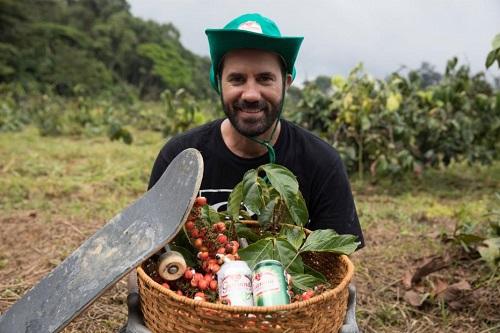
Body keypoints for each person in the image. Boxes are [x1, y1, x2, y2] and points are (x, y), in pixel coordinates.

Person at [121, 13, 363, 333]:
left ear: (286, 82)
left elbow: (335, 270)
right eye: (237, 79)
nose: (251, 94)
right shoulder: (182, 158)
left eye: (265, 78)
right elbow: (148, 258)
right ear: (218, 83)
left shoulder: (321, 162)